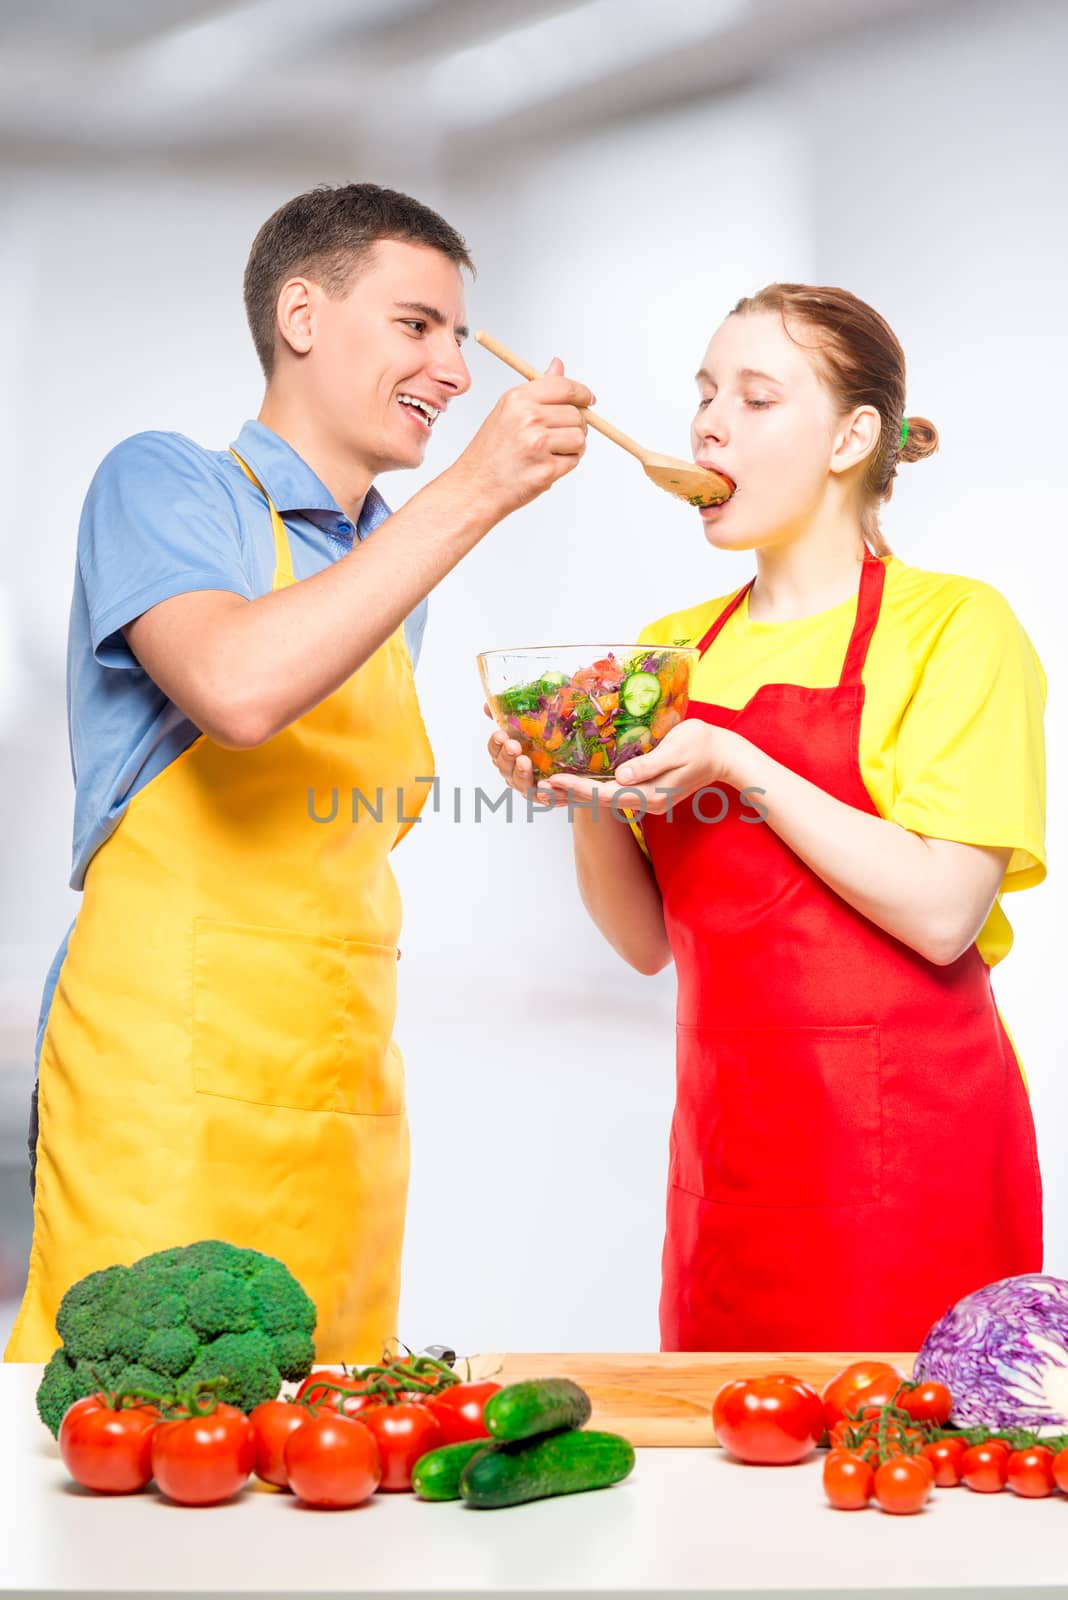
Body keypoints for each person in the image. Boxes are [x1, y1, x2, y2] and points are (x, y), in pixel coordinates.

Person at [6, 182, 593, 1364]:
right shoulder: (166, 484)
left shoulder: (384, 568)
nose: (454, 370)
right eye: (418, 325)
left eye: (459, 339)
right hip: (166, 1090)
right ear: (303, 314)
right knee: (132, 1443)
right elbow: (236, 687)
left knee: (326, 1482)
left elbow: (344, 820)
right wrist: (475, 488)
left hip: (341, 1099)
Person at [488, 283, 1045, 1352]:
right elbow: (647, 943)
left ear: (852, 435)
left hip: (913, 1160)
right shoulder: (671, 651)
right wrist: (582, 795)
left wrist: (743, 763)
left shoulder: (958, 629)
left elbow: (943, 912)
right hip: (730, 1164)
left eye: (755, 396)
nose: (707, 423)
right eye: (704, 394)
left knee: (910, 1477)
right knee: (727, 1485)